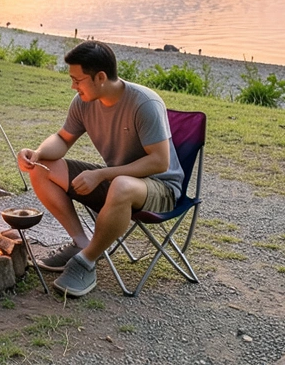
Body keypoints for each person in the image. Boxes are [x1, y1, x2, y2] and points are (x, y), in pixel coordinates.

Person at [16, 41, 184, 297]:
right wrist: (37, 153)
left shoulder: (144, 103)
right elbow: (62, 139)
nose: (73, 85)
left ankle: (86, 261)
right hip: (120, 183)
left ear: (101, 77)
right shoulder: (83, 102)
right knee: (41, 169)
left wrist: (102, 174)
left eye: (77, 79)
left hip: (160, 188)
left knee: (121, 184)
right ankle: (82, 245)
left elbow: (159, 162)